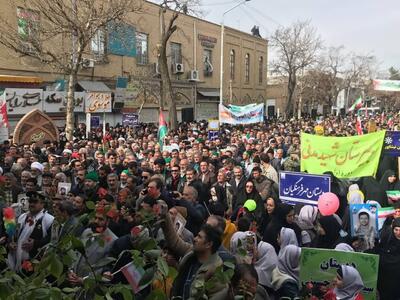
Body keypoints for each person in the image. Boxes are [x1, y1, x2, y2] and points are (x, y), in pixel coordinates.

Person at [7, 191, 54, 271]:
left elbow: (53, 240)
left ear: (43, 204)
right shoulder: (22, 217)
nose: (31, 204)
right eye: (30, 201)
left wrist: (36, 243)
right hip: (17, 262)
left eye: (35, 202)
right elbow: (14, 235)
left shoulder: (49, 219)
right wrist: (10, 243)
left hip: (35, 265)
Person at [377, 218, 400, 300]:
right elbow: (380, 251)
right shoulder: (387, 239)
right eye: (396, 230)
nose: (398, 233)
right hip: (385, 281)